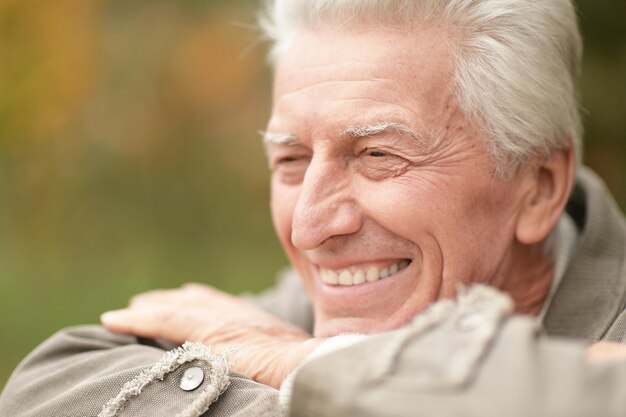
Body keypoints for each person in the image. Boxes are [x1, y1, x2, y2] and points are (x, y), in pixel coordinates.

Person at [2, 0, 626, 416]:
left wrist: (313, 368)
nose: (309, 228)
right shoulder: (340, 304)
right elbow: (44, 389)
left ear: (539, 187)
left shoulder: (288, 340)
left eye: (380, 155)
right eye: (292, 162)